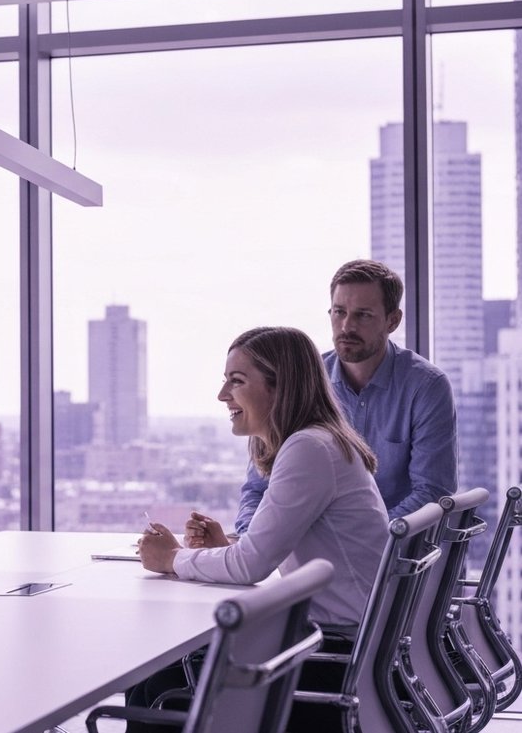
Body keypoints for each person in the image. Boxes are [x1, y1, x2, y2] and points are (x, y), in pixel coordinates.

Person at [134, 326, 389, 732]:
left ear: (279, 387)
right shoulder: (316, 443)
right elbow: (264, 551)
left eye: (236, 381)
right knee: (164, 673)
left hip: (333, 658)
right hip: (348, 647)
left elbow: (250, 567)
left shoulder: (309, 449)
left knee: (157, 681)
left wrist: (173, 558)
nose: (222, 395)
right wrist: (226, 546)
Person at [206, 259, 456, 546]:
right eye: (339, 312)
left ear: (392, 321)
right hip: (306, 557)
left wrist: (364, 543)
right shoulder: (304, 380)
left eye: (363, 315)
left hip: (396, 561)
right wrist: (254, 540)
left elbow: (432, 492)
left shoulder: (426, 387)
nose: (347, 326)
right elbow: (258, 486)